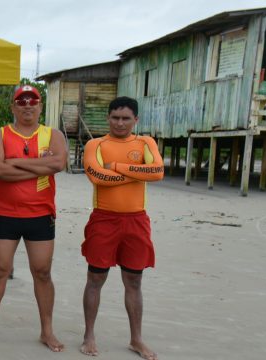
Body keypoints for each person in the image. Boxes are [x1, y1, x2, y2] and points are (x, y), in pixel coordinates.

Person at [0, 85, 67, 352]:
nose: (27, 105)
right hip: (5, 214)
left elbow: (58, 164)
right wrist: (39, 166)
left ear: (40, 106)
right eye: (21, 101)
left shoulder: (52, 134)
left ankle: (47, 331)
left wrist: (14, 162)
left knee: (42, 272)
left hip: (40, 214)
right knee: (0, 270)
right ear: (13, 107)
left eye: (32, 101)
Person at [80, 96, 163, 360]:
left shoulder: (145, 142)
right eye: (115, 117)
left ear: (135, 120)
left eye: (126, 118)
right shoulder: (96, 144)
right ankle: (89, 335)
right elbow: (96, 176)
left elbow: (158, 171)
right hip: (104, 219)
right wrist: (137, 171)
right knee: (95, 278)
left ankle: (136, 339)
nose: (119, 123)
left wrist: (116, 166)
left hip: (136, 220)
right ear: (108, 118)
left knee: (134, 281)